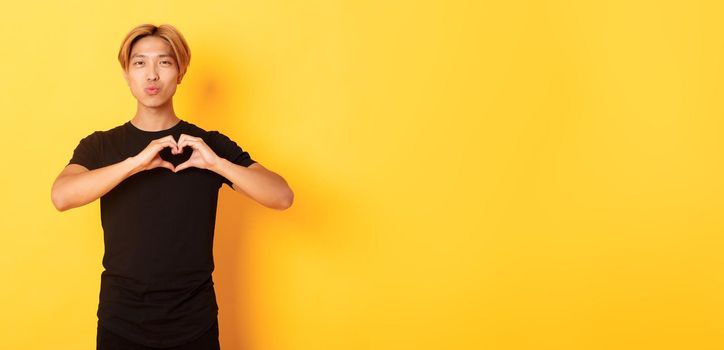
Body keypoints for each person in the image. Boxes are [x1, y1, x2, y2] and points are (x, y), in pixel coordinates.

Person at [50, 23, 294, 349]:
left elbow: (282, 196)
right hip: (121, 321)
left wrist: (216, 163)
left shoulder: (208, 145)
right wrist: (134, 163)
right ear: (127, 74)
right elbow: (61, 196)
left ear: (180, 72)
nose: (152, 74)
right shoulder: (101, 146)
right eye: (140, 63)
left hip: (194, 322)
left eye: (164, 62)